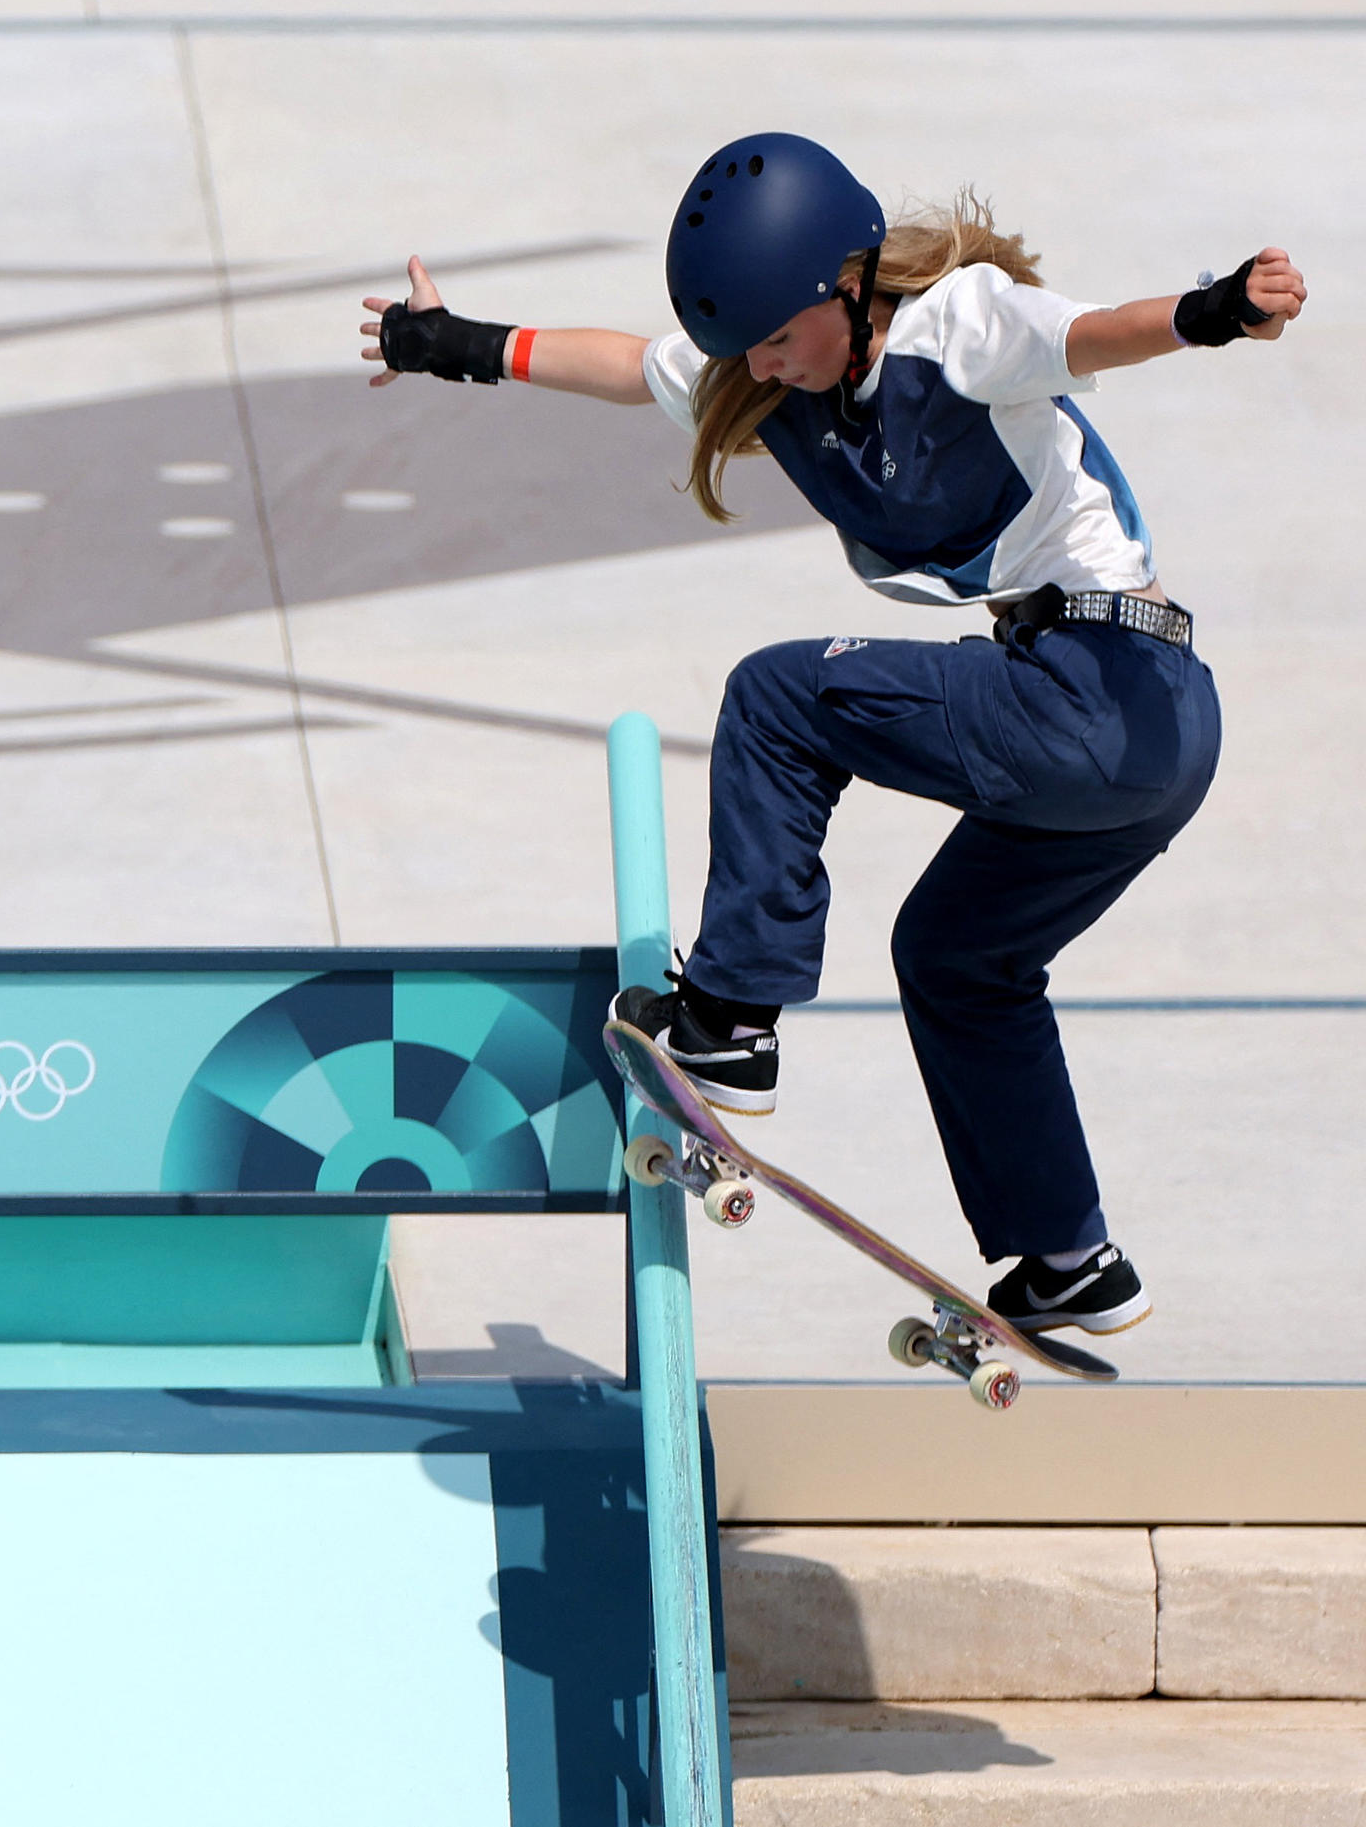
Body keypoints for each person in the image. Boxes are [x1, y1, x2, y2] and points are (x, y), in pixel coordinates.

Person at [357, 133, 1305, 1336]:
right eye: (742, 346)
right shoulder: (768, 378)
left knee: (775, 695)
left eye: (778, 336)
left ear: (848, 285)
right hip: (1132, 732)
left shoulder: (957, 327)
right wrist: (454, 346)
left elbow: (1093, 332)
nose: (763, 365)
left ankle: (734, 1020)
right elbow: (617, 363)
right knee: (958, 959)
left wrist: (1215, 310)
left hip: (1104, 686)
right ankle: (1069, 1254)